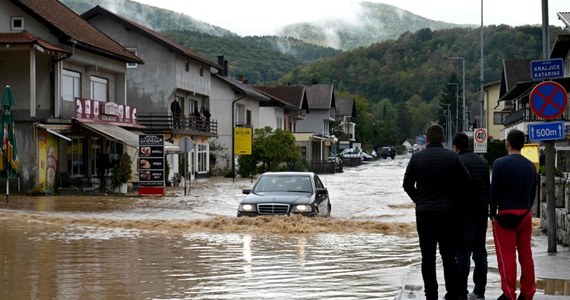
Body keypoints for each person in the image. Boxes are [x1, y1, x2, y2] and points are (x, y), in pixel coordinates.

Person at [403, 124, 470, 300]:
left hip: (425, 215)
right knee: (449, 256)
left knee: (428, 257)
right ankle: (452, 292)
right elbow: (466, 181)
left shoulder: (417, 158)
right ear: (442, 139)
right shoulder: (453, 158)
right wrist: (454, 200)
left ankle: (431, 294)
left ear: (426, 139)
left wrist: (419, 200)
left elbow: (407, 184)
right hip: (448, 215)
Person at [490, 129, 537, 300]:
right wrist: (526, 209)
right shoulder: (531, 165)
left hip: (505, 215)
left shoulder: (499, 164)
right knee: (526, 255)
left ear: (507, 143)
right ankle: (528, 292)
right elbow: (533, 193)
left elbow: (493, 191)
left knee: (507, 257)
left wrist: (492, 213)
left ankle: (509, 294)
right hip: (525, 214)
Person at [452, 132, 490, 300]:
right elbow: (488, 189)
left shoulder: (456, 162)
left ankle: (462, 292)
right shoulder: (483, 162)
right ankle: (480, 291)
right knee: (480, 254)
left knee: (462, 254)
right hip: (481, 213)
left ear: (455, 147)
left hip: (462, 215)